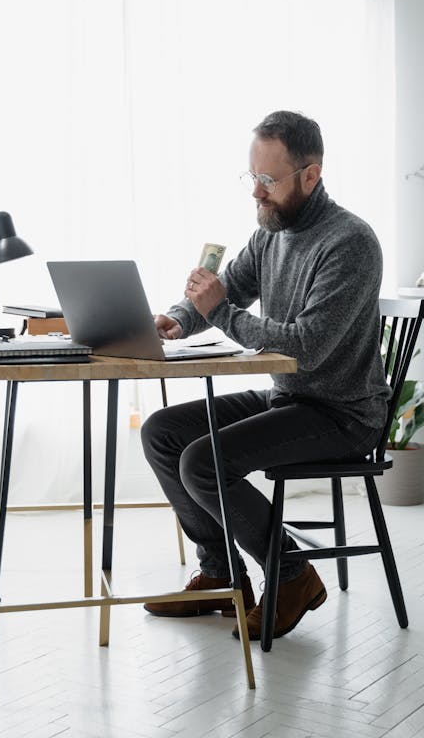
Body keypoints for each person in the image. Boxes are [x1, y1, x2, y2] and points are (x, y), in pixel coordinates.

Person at [140, 111, 389, 641]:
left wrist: (220, 312)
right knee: (162, 432)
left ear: (310, 176)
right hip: (290, 397)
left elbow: (306, 347)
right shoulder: (270, 233)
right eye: (251, 177)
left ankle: (292, 576)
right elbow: (228, 286)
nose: (256, 192)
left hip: (343, 412)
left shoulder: (350, 243)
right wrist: (179, 317)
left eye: (269, 181)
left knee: (203, 463)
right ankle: (220, 574)